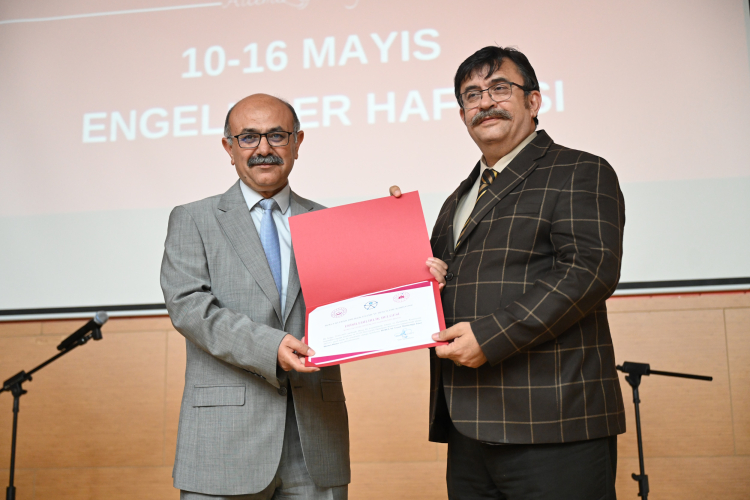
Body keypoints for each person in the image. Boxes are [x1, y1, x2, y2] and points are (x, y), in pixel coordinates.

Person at [391, 46, 626, 499]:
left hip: (553, 423)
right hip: (468, 426)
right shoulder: (458, 199)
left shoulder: (580, 170)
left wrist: (491, 336)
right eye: (471, 95)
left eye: (499, 88)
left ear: (533, 101)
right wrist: (399, 247)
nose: (485, 102)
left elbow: (589, 270)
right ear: (462, 114)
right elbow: (449, 284)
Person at [160, 94, 350, 499]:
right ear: (228, 148)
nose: (264, 148)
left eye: (277, 135)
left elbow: (359, 300)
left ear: (297, 143)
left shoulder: (329, 222)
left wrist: (407, 256)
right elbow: (189, 309)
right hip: (224, 442)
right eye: (248, 137)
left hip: (315, 440)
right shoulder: (193, 219)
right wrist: (271, 347)